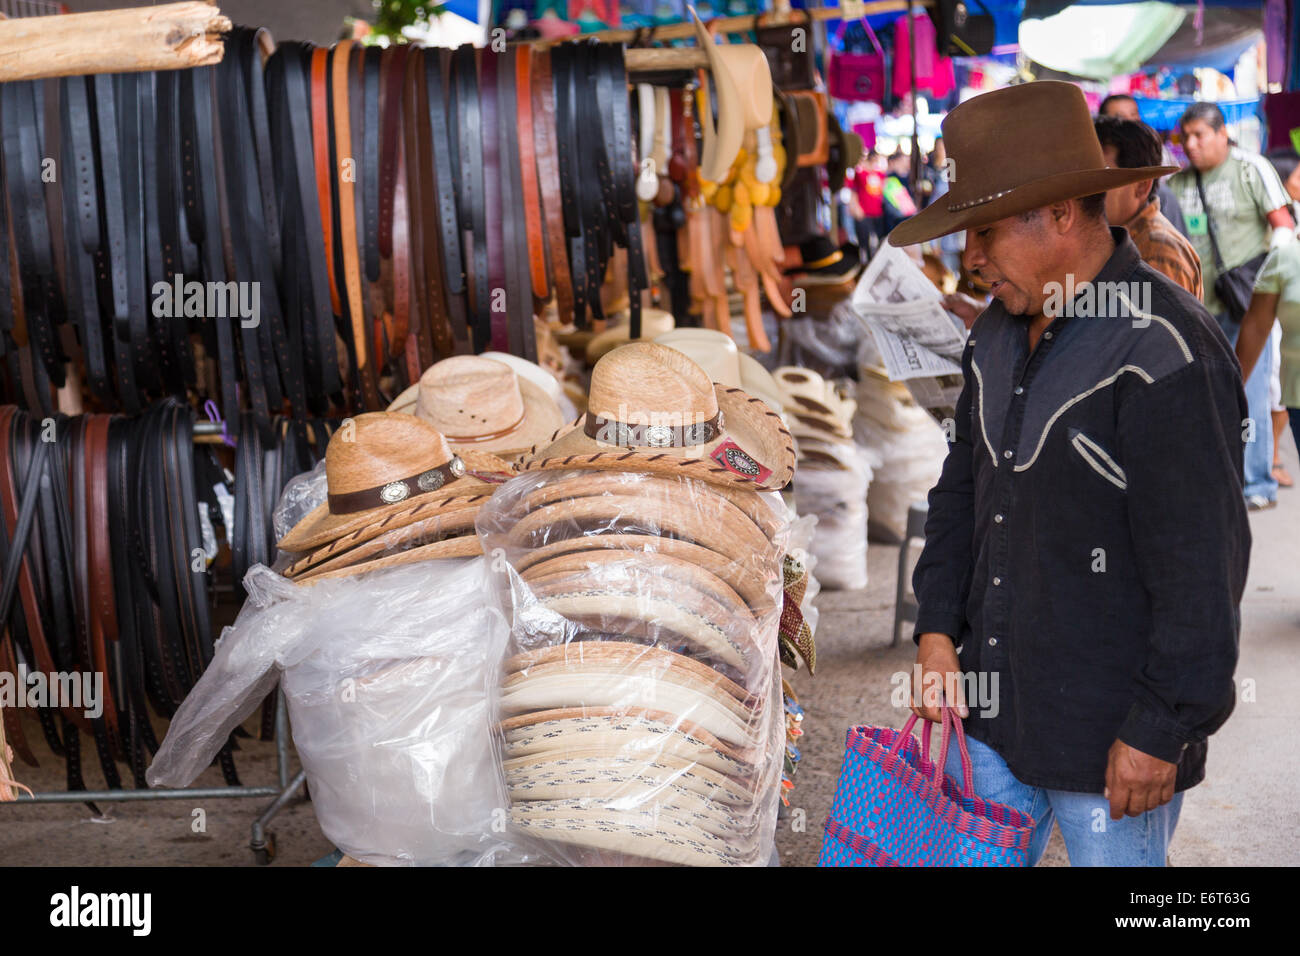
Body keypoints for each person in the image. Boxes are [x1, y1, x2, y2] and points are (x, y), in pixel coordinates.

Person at [889, 81, 1249, 867]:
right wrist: (939, 633)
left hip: (1111, 736)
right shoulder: (991, 336)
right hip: (990, 716)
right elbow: (960, 497)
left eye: (983, 232)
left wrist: (1161, 728)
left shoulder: (1163, 349)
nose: (971, 258)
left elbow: (1203, 564)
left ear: (1057, 215)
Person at [1170, 102, 1297, 509]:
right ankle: (1217, 482)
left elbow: (1284, 228)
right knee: (1205, 395)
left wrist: (1270, 288)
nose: (1190, 144)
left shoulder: (1250, 168)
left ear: (1222, 133)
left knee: (1250, 391)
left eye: (1199, 135)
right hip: (1198, 307)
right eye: (1185, 137)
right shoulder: (1179, 183)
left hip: (1247, 305)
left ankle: (1256, 485)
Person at [1093, 116, 1202, 297]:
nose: (1090, 190)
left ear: (1142, 187)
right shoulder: (1115, 239)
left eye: (1103, 179)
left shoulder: (1160, 253)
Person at [1098, 94, 1187, 236]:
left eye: (1133, 115)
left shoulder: (1163, 196)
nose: (1129, 122)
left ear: (1143, 186)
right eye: (1119, 118)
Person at [848, 150, 885, 261]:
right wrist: (855, 207)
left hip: (877, 212)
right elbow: (853, 191)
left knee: (878, 240)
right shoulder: (860, 173)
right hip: (864, 212)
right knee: (864, 241)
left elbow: (882, 190)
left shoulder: (880, 174)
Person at [881, 150, 917, 236]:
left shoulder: (908, 177)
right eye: (904, 161)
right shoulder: (890, 178)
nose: (907, 163)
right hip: (895, 218)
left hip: (907, 216)